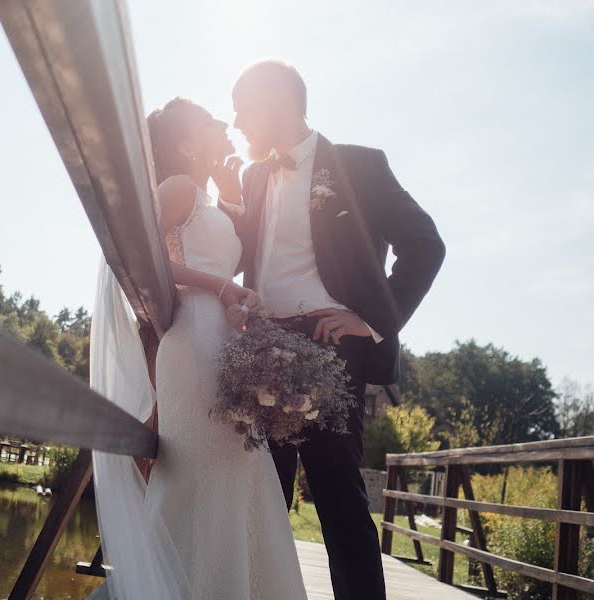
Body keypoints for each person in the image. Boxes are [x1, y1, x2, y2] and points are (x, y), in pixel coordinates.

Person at [219, 59, 446, 600]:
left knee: (339, 501)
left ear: (278, 104)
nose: (236, 121)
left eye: (243, 108)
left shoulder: (359, 168)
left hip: (328, 349)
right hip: (262, 351)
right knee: (262, 499)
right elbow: (248, 254)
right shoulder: (255, 176)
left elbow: (426, 244)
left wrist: (368, 322)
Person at [90, 97, 308, 600]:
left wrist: (233, 299)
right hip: (192, 346)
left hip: (225, 342)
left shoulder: (208, 197)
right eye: (213, 123)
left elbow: (214, 271)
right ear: (187, 144)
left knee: (237, 469)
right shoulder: (179, 188)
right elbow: (139, 265)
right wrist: (222, 286)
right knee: (199, 470)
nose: (226, 127)